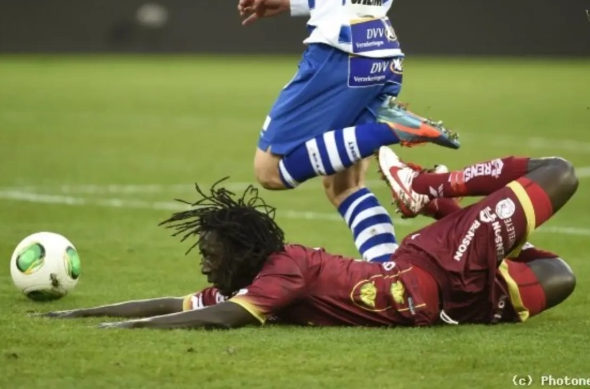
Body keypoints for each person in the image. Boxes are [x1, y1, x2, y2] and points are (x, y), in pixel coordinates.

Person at [36, 149, 577, 328]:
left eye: (210, 255)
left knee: (559, 172)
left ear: (241, 253)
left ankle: (427, 188)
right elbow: (176, 302)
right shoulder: (252, 283)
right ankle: (449, 211)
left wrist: (128, 329)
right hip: (448, 308)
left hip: (436, 265)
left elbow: (219, 319)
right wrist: (80, 314)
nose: (204, 268)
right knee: (560, 276)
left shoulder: (284, 271)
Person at [237, 0, 461, 263]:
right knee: (344, 186)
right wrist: (290, 1)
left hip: (339, 53)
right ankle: (388, 274)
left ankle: (389, 128)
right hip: (382, 51)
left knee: (269, 171)